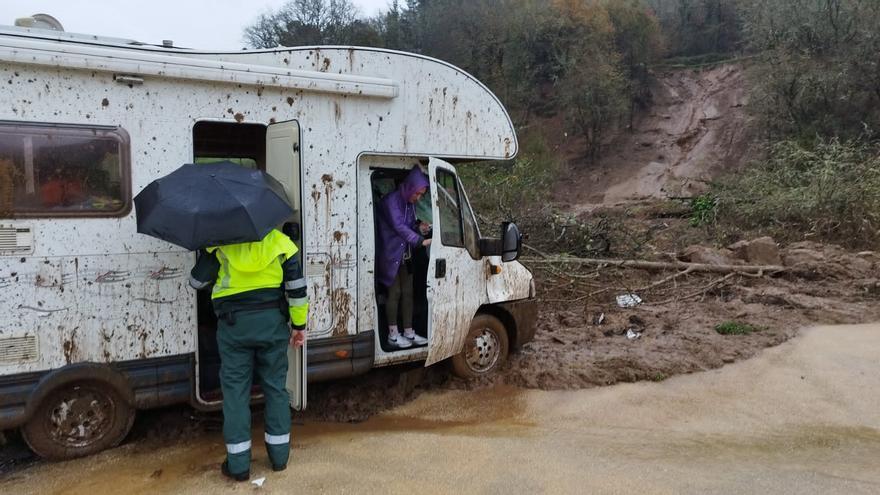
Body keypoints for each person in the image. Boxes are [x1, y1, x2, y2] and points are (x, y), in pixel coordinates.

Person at [189, 227, 308, 482]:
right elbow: (297, 290)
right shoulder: (282, 243)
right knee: (276, 389)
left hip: (234, 328)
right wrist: (299, 326)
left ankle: (239, 466)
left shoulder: (219, 243)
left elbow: (196, 282)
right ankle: (279, 459)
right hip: (272, 325)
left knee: (235, 394)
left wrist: (210, 250)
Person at [376, 166, 432, 349]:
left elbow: (408, 224)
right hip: (390, 254)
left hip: (405, 254)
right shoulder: (391, 201)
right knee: (395, 293)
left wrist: (419, 226)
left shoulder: (409, 203)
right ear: (410, 187)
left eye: (421, 195)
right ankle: (393, 334)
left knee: (408, 292)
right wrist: (420, 240)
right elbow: (399, 226)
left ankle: (408, 331)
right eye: (418, 194)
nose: (418, 198)